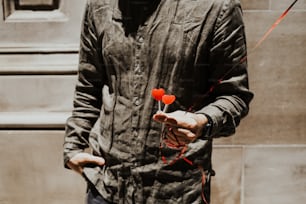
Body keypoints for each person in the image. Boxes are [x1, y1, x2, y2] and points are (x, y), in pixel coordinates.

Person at [63, 0, 254, 203]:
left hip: (179, 191)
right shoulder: (99, 5)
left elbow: (234, 96)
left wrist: (201, 121)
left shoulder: (217, 7)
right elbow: (88, 85)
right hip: (106, 186)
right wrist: (73, 146)